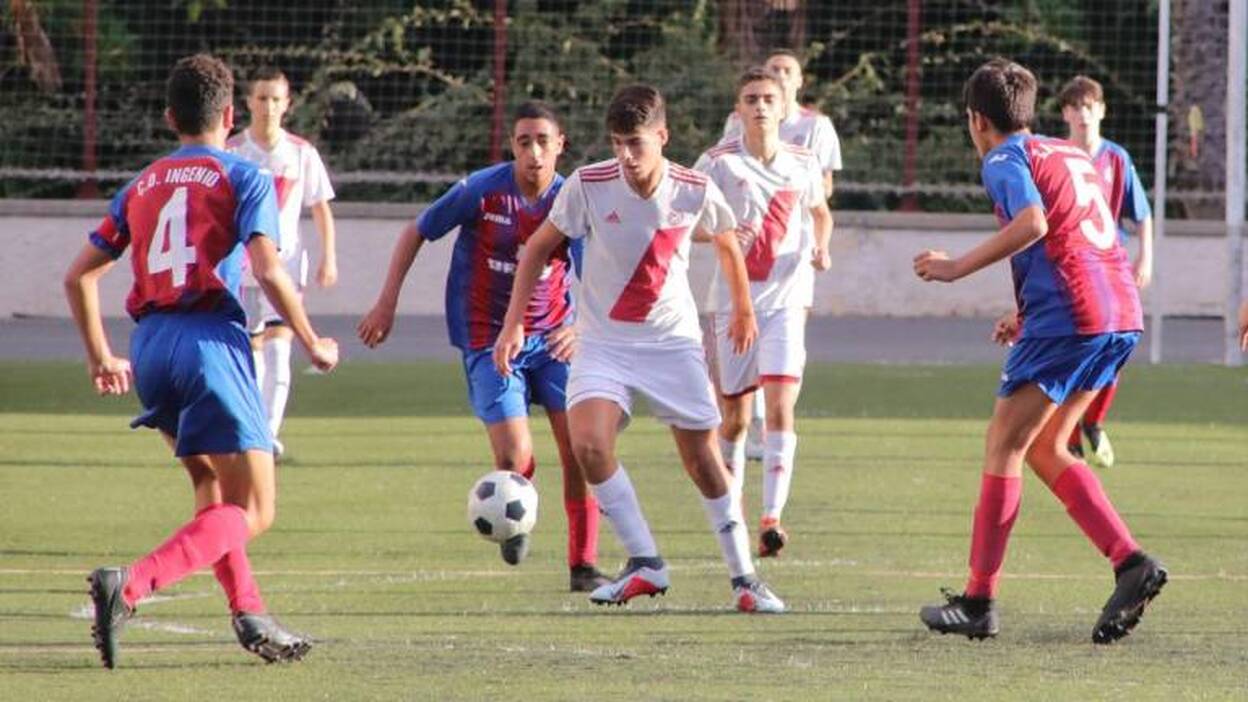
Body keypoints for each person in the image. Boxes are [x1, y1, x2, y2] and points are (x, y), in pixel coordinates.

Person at [64, 54, 339, 668]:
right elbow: (268, 268)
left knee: (213, 491)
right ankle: (128, 586)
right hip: (209, 344)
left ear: (170, 118)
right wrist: (313, 341)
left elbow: (78, 277)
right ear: (231, 114)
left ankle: (249, 610)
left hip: (151, 346)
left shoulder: (140, 184)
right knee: (255, 510)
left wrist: (100, 355)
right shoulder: (244, 176)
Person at [494, 84, 786, 613]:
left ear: (662, 137)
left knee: (702, 459)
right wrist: (513, 324)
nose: (626, 156)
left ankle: (745, 578)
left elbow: (725, 241)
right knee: (588, 445)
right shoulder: (589, 183)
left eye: (636, 143)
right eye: (618, 143)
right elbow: (537, 248)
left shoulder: (695, 188)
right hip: (604, 343)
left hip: (672, 345)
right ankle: (646, 563)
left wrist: (743, 309)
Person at [912, 59, 1165, 643]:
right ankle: (1130, 564)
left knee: (1003, 445)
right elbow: (1076, 231)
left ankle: (978, 601)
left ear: (977, 120)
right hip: (1118, 313)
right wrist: (1025, 310)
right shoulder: (1068, 153)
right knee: (1048, 447)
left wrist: (955, 268)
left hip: (1072, 317)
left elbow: (1033, 223)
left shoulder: (1004, 158)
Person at [356, 102, 608, 592]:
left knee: (579, 451)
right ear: (512, 147)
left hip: (553, 336)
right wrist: (386, 303)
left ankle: (583, 565)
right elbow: (417, 231)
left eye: (542, 141)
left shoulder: (571, 200)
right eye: (523, 142)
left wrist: (579, 326)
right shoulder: (482, 190)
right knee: (515, 457)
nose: (533, 152)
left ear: (561, 145)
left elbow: (593, 274)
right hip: (486, 336)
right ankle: (515, 514)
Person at [694, 67, 833, 558]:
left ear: (782, 107)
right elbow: (685, 224)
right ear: (738, 110)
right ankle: (731, 504)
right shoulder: (717, 164)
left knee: (780, 408)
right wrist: (722, 234)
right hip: (732, 304)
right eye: (750, 98)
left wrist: (821, 246)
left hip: (787, 302)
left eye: (767, 99)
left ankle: (772, 519)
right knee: (733, 418)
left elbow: (820, 212)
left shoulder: (803, 161)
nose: (759, 107)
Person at [722, 48, 842, 462]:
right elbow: (723, 177)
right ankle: (754, 424)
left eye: (787, 71)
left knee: (785, 340)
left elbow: (824, 188)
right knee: (743, 345)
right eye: (773, 69)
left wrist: (787, 189)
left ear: (798, 82)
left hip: (792, 252)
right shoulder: (736, 126)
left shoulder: (816, 128)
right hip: (746, 255)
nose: (779, 75)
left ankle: (773, 416)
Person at [226, 66, 337, 458]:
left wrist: (329, 257)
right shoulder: (233, 151)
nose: (269, 107)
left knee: (279, 348)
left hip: (286, 265)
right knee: (250, 349)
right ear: (248, 103)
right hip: (242, 266)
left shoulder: (302, 153)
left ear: (287, 104)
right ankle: (251, 424)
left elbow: (320, 207)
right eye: (261, 98)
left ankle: (266, 435)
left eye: (276, 99)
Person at [1053, 75, 1155, 468]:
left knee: (1114, 350)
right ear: (1065, 113)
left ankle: (1091, 423)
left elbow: (1141, 215)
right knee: (1075, 352)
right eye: (1075, 107)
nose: (1082, 114)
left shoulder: (1116, 159)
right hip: (1070, 272)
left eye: (1089, 106)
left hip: (1110, 271)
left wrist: (1145, 258)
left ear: (1101, 111)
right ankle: (1072, 431)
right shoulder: (1056, 156)